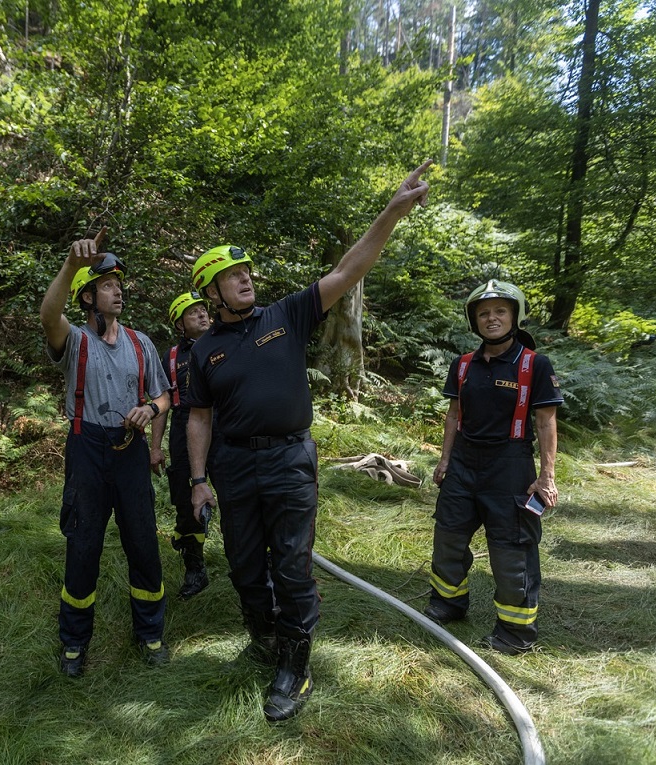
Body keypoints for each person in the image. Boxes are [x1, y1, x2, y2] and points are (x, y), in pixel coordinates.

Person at [184, 160, 433, 722]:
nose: (246, 278)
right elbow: (198, 417)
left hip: (289, 459)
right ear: (212, 292)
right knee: (246, 568)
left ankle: (295, 667)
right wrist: (199, 481)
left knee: (291, 568)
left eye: (246, 271)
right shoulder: (204, 352)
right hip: (232, 465)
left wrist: (392, 210)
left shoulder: (287, 314)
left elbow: (348, 271)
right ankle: (265, 638)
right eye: (232, 275)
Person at [40, 232, 172, 677]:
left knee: (143, 543)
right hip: (87, 452)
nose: (118, 291)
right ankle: (74, 644)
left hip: (131, 452)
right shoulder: (74, 340)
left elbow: (164, 397)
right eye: (108, 285)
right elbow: (47, 314)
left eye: (119, 284)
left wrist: (150, 409)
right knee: (83, 547)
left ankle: (150, 632)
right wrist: (69, 266)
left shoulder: (140, 343)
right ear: (88, 297)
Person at [427, 279, 564, 656]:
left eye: (500, 311)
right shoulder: (463, 365)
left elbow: (546, 421)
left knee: (511, 549)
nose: (492, 318)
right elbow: (454, 415)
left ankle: (514, 631)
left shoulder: (535, 364)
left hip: (510, 465)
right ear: (474, 321)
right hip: (463, 465)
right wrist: (444, 460)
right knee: (448, 536)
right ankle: (449, 603)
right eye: (484, 313)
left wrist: (546, 476)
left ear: (515, 316)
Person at [151, 291, 213, 599]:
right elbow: (162, 402)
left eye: (203, 309)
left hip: (224, 424)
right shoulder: (172, 357)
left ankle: (255, 561)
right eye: (193, 313)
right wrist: (155, 446)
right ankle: (195, 567)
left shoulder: (225, 341)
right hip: (183, 425)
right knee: (186, 501)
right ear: (180, 324)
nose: (202, 315)